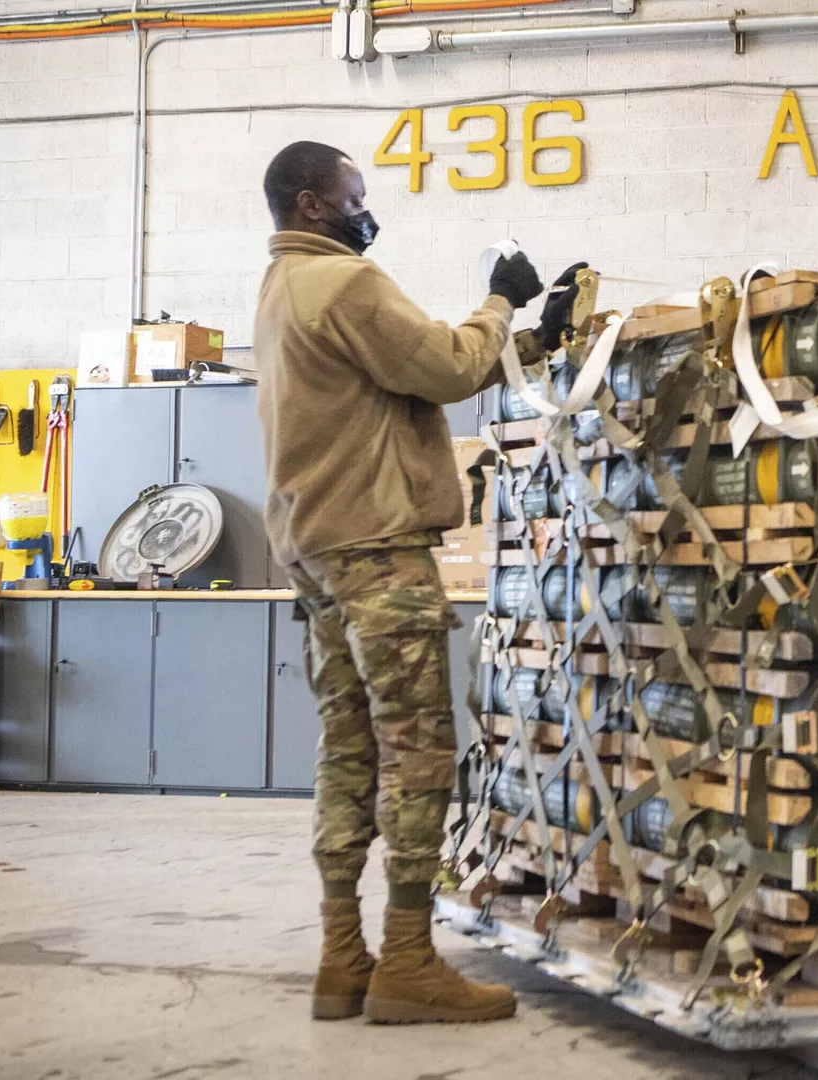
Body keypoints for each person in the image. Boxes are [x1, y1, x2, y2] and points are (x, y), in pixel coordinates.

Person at [253, 140, 543, 1024]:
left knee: (347, 746)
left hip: (316, 549)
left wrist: (530, 338)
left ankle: (343, 960)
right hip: (379, 548)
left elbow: (414, 372)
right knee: (415, 754)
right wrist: (503, 298)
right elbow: (449, 368)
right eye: (354, 194)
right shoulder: (347, 284)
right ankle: (409, 964)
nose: (363, 206)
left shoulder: (279, 291)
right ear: (312, 205)